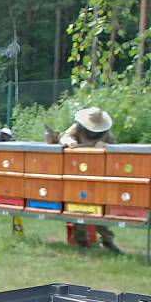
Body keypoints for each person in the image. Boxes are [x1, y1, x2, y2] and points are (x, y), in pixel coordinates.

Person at [59, 107, 120, 253]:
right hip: (77, 173)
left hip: (98, 175)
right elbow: (64, 136)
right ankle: (81, 241)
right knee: (77, 207)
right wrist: (69, 141)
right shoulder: (77, 128)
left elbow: (117, 148)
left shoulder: (106, 134)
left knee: (99, 209)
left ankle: (107, 241)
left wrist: (107, 146)